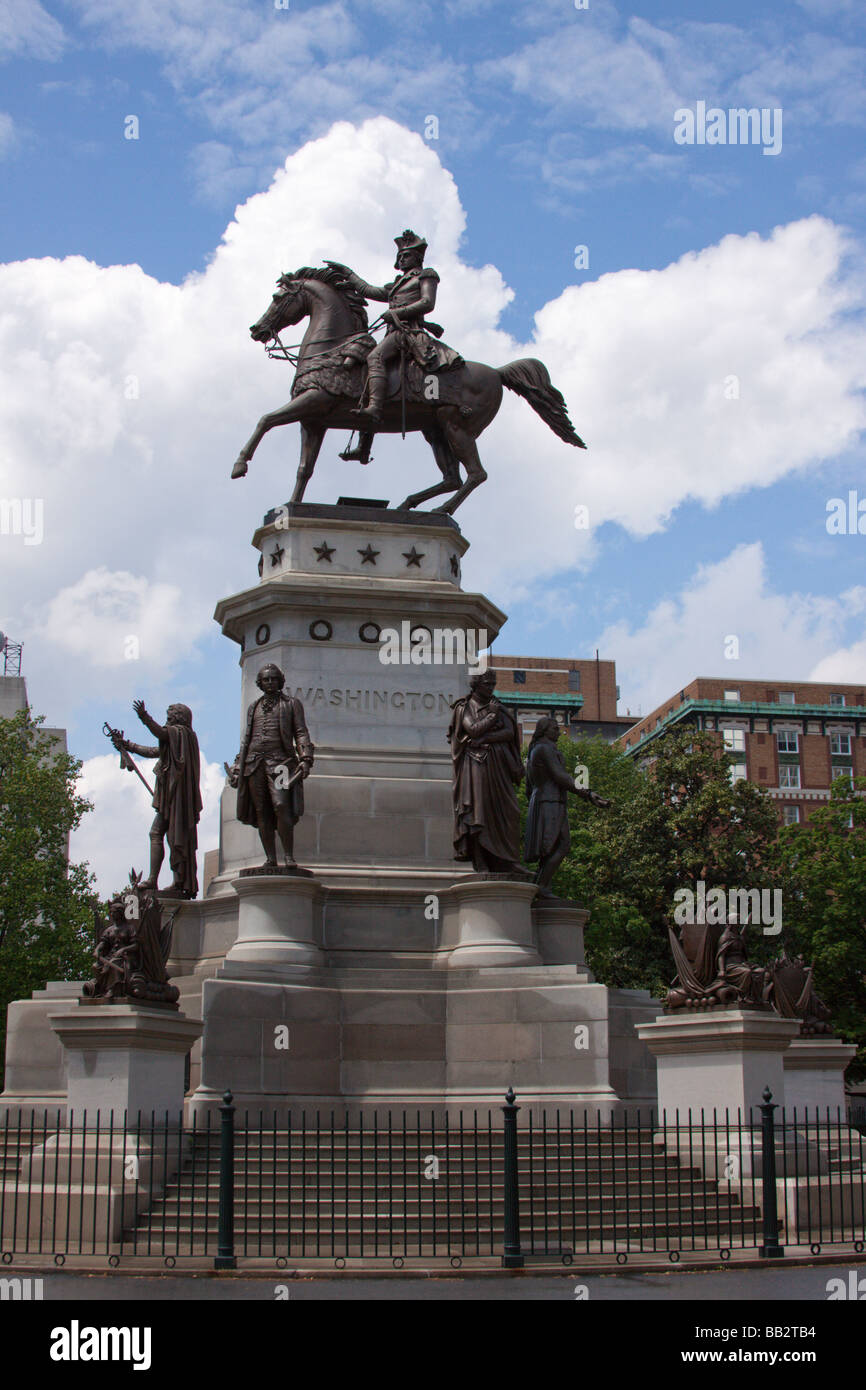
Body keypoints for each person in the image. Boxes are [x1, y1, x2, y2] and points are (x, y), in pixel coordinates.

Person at [327, 229, 462, 435]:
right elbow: (368, 290)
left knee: (375, 357)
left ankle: (374, 409)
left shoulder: (426, 276)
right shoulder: (397, 284)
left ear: (417, 257)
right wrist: (348, 273)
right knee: (362, 367)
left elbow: (427, 302)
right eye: (400, 256)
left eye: (406, 255)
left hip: (409, 334)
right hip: (393, 333)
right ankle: (364, 441)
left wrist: (397, 312)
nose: (402, 259)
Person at [227, 663, 314, 869]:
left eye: (274, 678)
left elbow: (301, 731)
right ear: (259, 683)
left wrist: (306, 757)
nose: (270, 682)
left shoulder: (292, 704)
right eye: (266, 679)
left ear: (280, 681)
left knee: (281, 805)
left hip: (281, 763)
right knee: (262, 812)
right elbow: (246, 740)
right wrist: (238, 767)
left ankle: (289, 856)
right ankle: (270, 859)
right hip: (254, 764)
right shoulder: (253, 707)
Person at [112, 700, 202, 898]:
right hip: (171, 797)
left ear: (179, 717)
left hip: (176, 798)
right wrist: (128, 745)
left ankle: (175, 881)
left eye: (170, 716)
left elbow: (160, 734)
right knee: (159, 834)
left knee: (171, 836)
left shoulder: (182, 733)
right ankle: (157, 879)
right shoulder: (177, 740)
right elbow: (154, 752)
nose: (167, 720)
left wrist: (145, 717)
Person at [448, 669, 526, 874]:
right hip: (475, 766)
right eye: (487, 684)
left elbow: (510, 733)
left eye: (493, 684)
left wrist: (485, 738)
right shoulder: (463, 707)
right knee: (478, 813)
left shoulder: (498, 706)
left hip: (499, 766)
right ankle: (481, 861)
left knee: (509, 811)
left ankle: (507, 860)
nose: (492, 688)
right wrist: (491, 717)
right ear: (475, 685)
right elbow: (472, 729)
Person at [524, 716, 609, 895]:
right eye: (555, 728)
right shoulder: (544, 749)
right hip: (549, 802)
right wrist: (588, 793)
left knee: (554, 847)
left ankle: (539, 885)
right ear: (544, 730)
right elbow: (560, 776)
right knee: (560, 845)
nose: (559, 732)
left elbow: (528, 787)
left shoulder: (536, 750)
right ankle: (541, 887)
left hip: (546, 801)